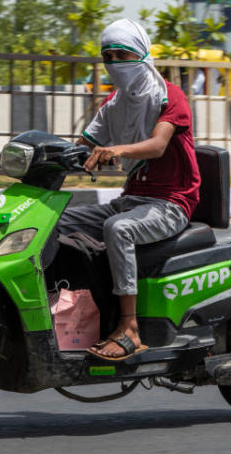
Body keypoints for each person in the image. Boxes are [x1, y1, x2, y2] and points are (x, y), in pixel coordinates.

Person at [57, 18, 201, 360]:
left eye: (123, 54)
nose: (116, 64)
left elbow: (157, 145)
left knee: (117, 230)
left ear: (142, 54)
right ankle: (71, 314)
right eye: (108, 57)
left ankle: (130, 328)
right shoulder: (115, 103)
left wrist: (118, 150)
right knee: (57, 222)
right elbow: (83, 145)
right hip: (133, 199)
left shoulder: (170, 96)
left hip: (171, 203)